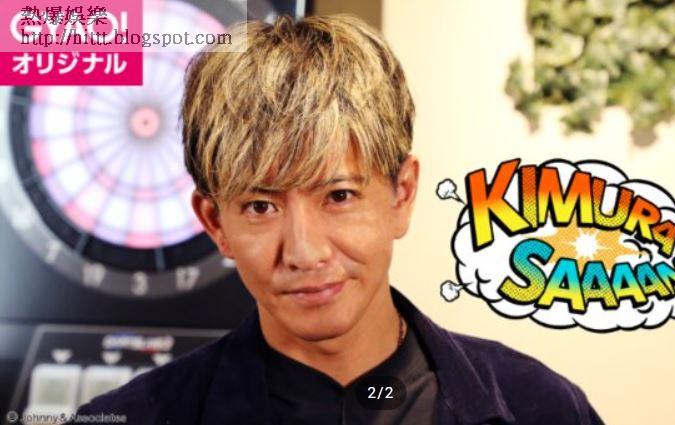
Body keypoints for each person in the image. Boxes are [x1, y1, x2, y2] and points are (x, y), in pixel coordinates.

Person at [70, 14, 604, 425]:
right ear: (215, 223)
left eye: (339, 196)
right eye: (261, 207)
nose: (305, 252)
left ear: (402, 194)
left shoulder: (542, 407)